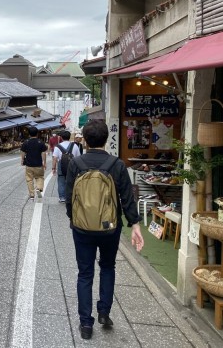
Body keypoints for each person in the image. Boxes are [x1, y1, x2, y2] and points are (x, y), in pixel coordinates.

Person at [65, 119, 144, 340]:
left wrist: (74, 219)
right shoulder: (116, 164)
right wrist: (135, 224)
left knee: (85, 273)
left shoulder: (76, 163)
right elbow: (127, 198)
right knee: (108, 267)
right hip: (110, 228)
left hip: (81, 228)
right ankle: (104, 312)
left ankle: (85, 324)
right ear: (106, 138)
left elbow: (70, 198)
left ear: (86, 140)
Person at [52, 131, 81, 203]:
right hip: (72, 166)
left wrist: (53, 168)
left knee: (61, 181)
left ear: (61, 137)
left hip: (61, 165)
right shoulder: (75, 146)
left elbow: (55, 158)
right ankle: (71, 196)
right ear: (69, 137)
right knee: (71, 181)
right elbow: (78, 157)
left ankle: (62, 198)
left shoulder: (58, 146)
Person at [20, 126, 48, 200]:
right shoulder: (41, 142)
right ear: (37, 134)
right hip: (39, 165)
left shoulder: (26, 142)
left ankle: (32, 194)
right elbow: (44, 153)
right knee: (40, 177)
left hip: (29, 165)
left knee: (29, 179)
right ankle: (39, 188)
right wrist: (44, 163)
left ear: (29, 134)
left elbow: (23, 152)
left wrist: (22, 160)